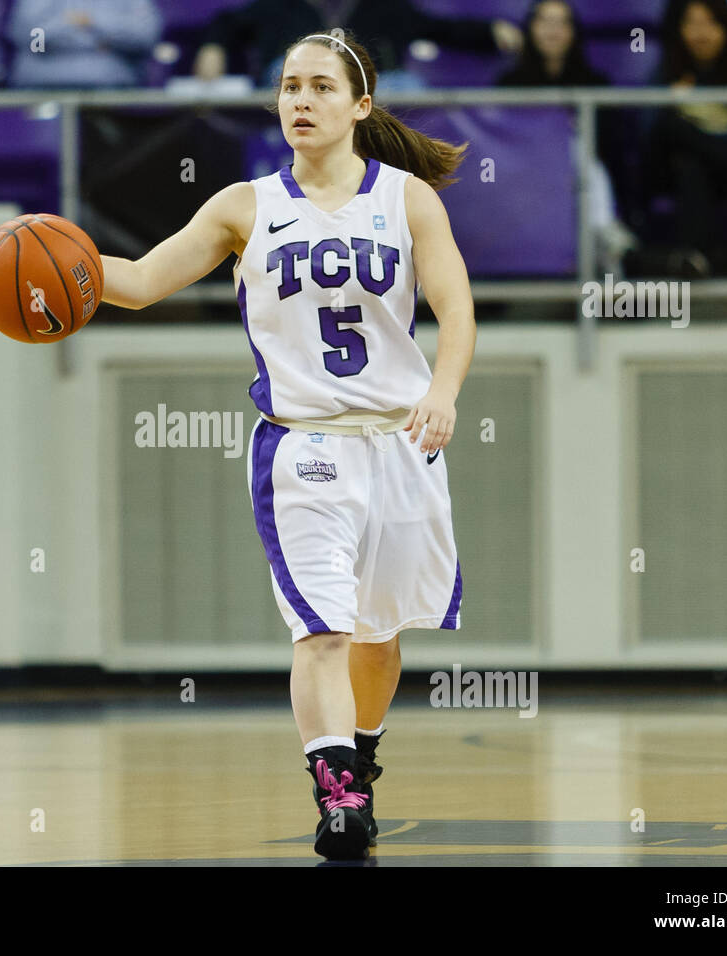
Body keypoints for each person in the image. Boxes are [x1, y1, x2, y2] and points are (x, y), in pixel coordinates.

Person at [99, 31, 473, 860]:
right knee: (324, 633)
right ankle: (336, 793)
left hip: (402, 441)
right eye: (288, 87)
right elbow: (137, 282)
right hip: (303, 449)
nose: (300, 100)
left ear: (359, 105)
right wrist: (57, 257)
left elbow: (456, 308)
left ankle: (359, 758)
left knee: (379, 636)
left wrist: (443, 392)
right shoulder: (243, 205)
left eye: (319, 87)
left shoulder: (408, 200)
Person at [497, 0, 637, 275]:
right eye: (545, 22)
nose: (553, 30)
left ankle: (604, 244)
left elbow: (613, 146)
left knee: (582, 155)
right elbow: (501, 144)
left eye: (562, 23)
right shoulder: (510, 84)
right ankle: (608, 238)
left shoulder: (595, 83)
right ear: (531, 28)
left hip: (581, 179)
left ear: (573, 32)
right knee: (570, 148)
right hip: (528, 180)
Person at [642, 0, 727, 276]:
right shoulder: (667, 73)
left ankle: (696, 258)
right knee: (678, 140)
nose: (701, 33)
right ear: (680, 29)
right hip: (670, 173)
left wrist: (694, 120)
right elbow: (649, 130)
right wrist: (681, 108)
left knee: (692, 156)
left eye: (710, 23)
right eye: (693, 23)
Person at [194, 0, 522, 88]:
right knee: (286, 72)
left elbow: (441, 28)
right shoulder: (278, 6)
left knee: (408, 85)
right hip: (299, 91)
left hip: (368, 94)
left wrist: (490, 32)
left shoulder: (385, 7)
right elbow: (227, 23)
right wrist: (213, 47)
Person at [6, 0, 163, 88]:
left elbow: (144, 37)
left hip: (113, 92)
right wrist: (101, 42)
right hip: (42, 90)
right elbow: (33, 41)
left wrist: (92, 22)